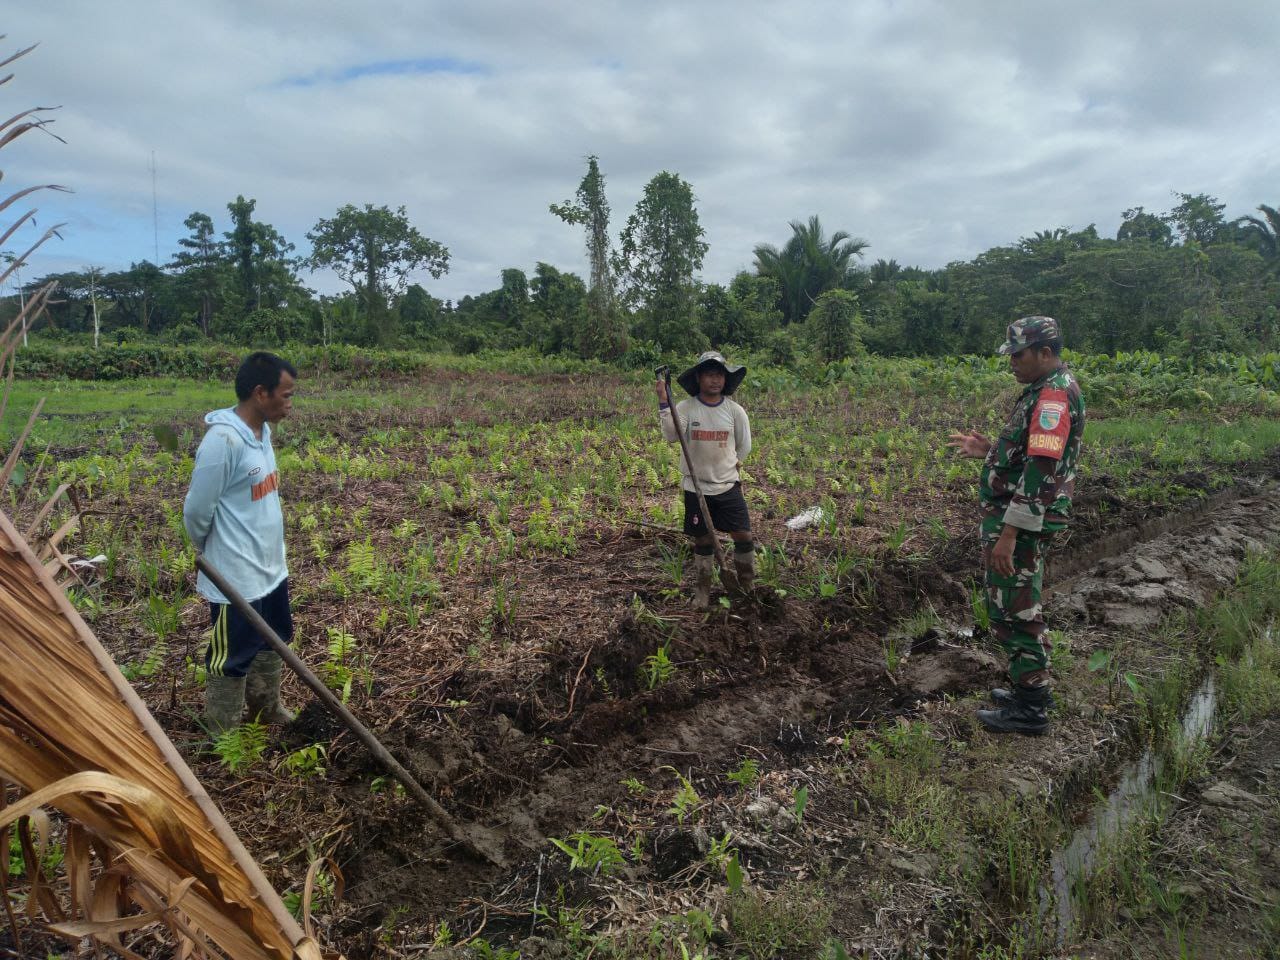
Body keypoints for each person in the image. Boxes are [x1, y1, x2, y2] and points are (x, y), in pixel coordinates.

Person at [948, 316, 1085, 736]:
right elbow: (1030, 455)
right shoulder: (1044, 390)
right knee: (1014, 604)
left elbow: (1043, 468)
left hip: (1020, 522)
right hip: (1017, 517)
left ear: (1045, 352)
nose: (1012, 363)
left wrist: (1009, 534)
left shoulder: (1052, 398)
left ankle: (1031, 709)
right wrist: (990, 452)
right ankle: (1030, 687)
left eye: (1019, 354)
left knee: (1016, 608)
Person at [184, 352, 298, 736]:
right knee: (231, 657)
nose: (289, 403)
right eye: (285, 395)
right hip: (235, 575)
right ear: (260, 393)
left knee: (274, 639)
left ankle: (268, 710)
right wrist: (214, 551)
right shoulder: (222, 442)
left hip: (269, 567)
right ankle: (223, 734)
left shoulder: (261, 434)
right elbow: (197, 512)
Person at [655, 350, 755, 609]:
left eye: (719, 375)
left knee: (743, 534)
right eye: (709, 374)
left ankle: (746, 586)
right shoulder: (687, 408)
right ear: (699, 377)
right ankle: (702, 591)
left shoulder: (735, 411)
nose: (715, 380)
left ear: (725, 379)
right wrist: (664, 402)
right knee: (702, 540)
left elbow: (743, 446)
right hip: (696, 486)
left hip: (727, 485)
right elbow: (671, 435)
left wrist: (730, 467)